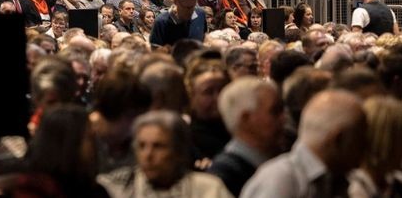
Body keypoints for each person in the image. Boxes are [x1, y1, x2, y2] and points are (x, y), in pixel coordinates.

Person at [241, 89, 367, 198]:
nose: (365, 147)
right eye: (360, 138)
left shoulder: (339, 181)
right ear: (338, 140)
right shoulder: (281, 181)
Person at [99, 110, 232, 197]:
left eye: (158, 146)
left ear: (178, 150)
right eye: (142, 146)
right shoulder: (116, 187)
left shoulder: (208, 189)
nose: (148, 155)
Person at [207, 78, 285, 196]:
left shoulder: (278, 159)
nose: (283, 119)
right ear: (246, 119)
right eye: (274, 111)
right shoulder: (223, 177)